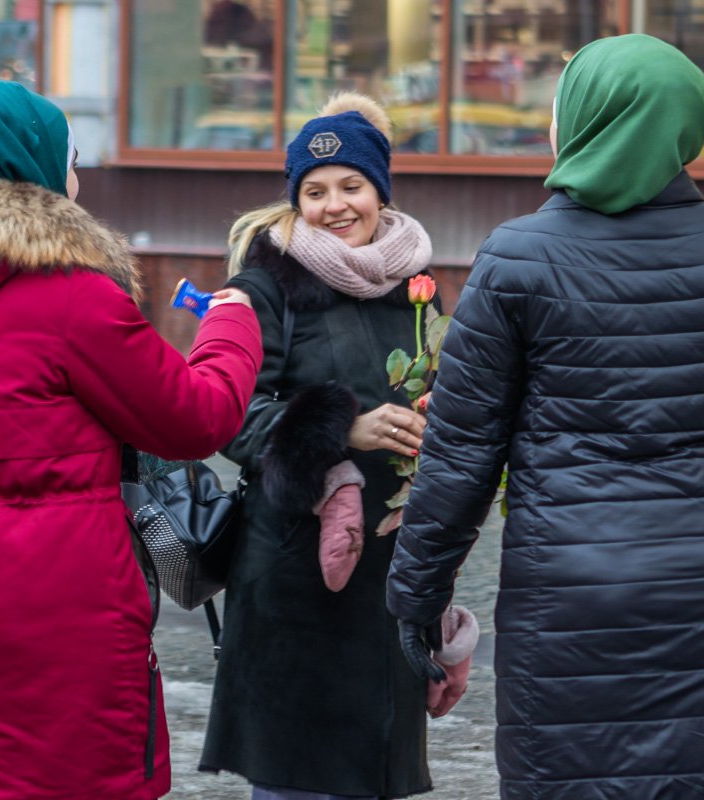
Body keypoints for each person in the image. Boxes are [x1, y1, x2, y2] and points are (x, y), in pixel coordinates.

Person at [387, 34, 704, 798]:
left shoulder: (516, 258)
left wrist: (417, 596)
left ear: (586, 121)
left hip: (573, 590)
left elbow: (461, 452)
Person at [0, 81, 263, 800]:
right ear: (37, 166)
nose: (76, 176)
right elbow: (197, 419)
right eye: (70, 159)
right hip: (59, 603)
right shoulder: (75, 299)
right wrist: (232, 326)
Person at [199, 92, 437, 800]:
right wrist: (342, 428)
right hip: (295, 578)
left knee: (373, 773)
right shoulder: (263, 286)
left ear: (380, 190)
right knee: (298, 780)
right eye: (315, 191)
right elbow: (229, 416)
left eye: (351, 186)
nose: (335, 205)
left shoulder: (416, 288)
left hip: (388, 573)